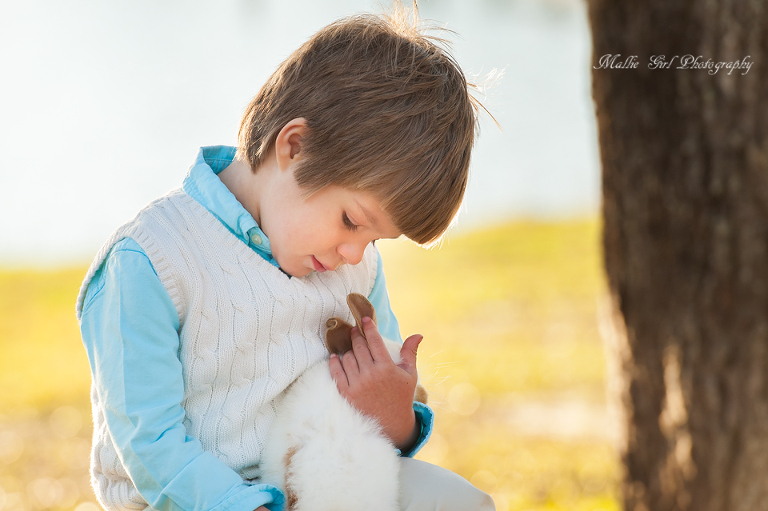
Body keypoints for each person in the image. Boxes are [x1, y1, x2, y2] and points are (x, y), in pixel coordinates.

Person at [77, 4, 494, 511]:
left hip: (324, 483)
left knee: (459, 503)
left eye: (378, 241)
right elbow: (150, 447)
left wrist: (396, 416)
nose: (355, 253)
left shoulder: (350, 264)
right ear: (294, 147)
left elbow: (380, 421)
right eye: (352, 221)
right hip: (191, 501)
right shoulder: (152, 260)